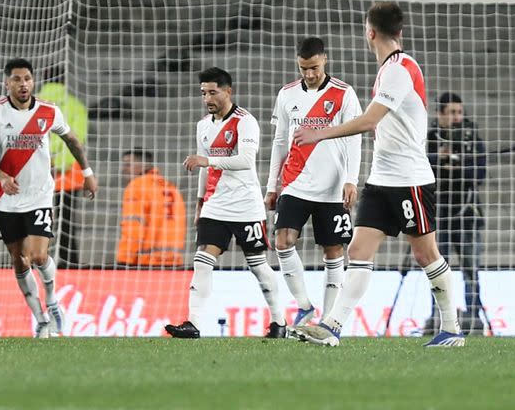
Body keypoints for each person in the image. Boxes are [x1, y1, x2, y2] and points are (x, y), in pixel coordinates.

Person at [293, 2, 464, 347]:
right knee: (358, 250)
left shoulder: (401, 68)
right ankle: (332, 326)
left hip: (410, 179)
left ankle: (452, 329)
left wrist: (320, 133)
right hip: (381, 178)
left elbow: (370, 120)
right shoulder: (389, 69)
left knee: (425, 254)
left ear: (369, 32)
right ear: (398, 31)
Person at [0, 58, 98, 338]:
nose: (23, 84)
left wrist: (87, 172)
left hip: (41, 195)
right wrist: (2, 176)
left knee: (38, 254)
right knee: (19, 261)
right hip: (7, 198)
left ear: (33, 81)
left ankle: (53, 300)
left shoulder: (48, 111)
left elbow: (73, 141)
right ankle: (41, 319)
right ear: (6, 83)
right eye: (17, 79)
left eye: (27, 79)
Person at [165, 67, 287, 339]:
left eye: (212, 91)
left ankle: (279, 321)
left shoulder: (245, 122)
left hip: (246, 205)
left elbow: (245, 161)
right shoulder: (203, 126)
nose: (207, 98)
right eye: (203, 93)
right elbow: (203, 169)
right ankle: (193, 323)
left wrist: (207, 160)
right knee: (202, 259)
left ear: (228, 91)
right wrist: (200, 203)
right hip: (215, 205)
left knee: (258, 265)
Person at [265, 37, 362, 327]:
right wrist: (272, 185)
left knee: (333, 250)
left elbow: (355, 138)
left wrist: (351, 179)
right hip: (295, 181)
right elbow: (280, 141)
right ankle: (304, 305)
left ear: (325, 60)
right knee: (282, 241)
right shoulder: (287, 94)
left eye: (314, 68)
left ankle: (329, 321)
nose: (309, 74)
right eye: (304, 68)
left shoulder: (344, 93)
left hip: (333, 186)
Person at [426, 92, 487, 335]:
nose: (457, 117)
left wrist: (461, 165)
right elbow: (419, 170)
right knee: (437, 270)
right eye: (451, 112)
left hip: (467, 214)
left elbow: (481, 175)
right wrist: (438, 160)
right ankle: (438, 318)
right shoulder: (429, 138)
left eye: (459, 112)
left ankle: (474, 320)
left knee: (471, 269)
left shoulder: (473, 139)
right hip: (438, 215)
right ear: (440, 114)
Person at [38, 69, 88, 268]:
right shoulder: (76, 106)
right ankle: (69, 265)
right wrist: (60, 165)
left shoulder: (34, 104)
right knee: (66, 223)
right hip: (68, 176)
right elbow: (77, 141)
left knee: (36, 219)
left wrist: (45, 164)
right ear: (65, 80)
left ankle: (34, 260)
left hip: (38, 173)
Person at [116, 149, 186, 267]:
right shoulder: (171, 187)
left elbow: (133, 226)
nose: (123, 169)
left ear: (143, 165)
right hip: (173, 262)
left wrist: (124, 259)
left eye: (128, 164)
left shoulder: (137, 186)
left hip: (146, 262)